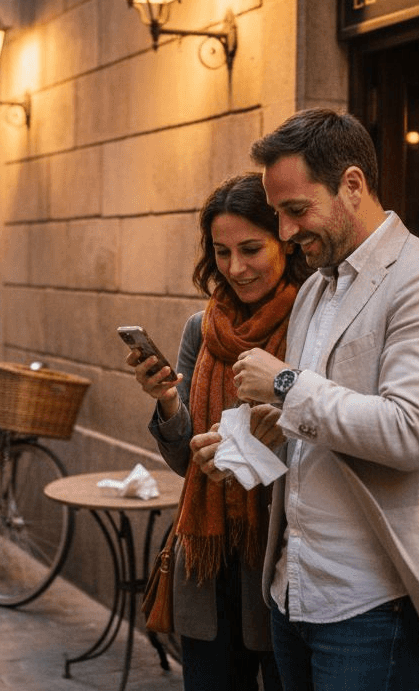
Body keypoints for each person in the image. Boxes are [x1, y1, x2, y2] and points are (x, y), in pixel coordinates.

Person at [223, 109, 419, 690]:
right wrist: (258, 436)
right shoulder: (316, 285)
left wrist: (286, 385)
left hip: (372, 599)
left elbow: (407, 432)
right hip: (294, 588)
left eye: (296, 211)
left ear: (353, 185)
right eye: (279, 215)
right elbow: (324, 420)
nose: (286, 233)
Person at [127, 172, 311, 691]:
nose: (236, 267)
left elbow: (329, 433)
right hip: (208, 562)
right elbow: (186, 463)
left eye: (251, 248)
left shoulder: (311, 321)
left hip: (279, 553)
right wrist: (166, 401)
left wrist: (272, 436)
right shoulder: (200, 328)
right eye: (222, 251)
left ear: (285, 241)